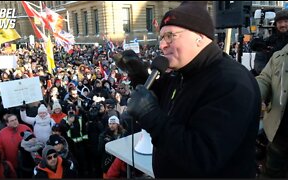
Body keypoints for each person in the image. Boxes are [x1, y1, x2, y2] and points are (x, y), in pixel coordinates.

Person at [115, 1, 261, 178]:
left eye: (170, 36)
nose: (162, 45)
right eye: (161, 38)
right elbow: (172, 95)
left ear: (199, 37)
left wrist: (150, 116)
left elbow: (202, 157)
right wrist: (139, 75)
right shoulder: (185, 72)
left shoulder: (232, 83)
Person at [256, 42, 288, 177]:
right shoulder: (278, 56)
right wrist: (251, 94)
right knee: (272, 171)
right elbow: (264, 80)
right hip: (279, 132)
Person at [251, 9, 288, 75]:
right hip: (271, 78)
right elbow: (259, 64)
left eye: (286, 21)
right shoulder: (267, 42)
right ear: (276, 25)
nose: (283, 25)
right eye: (279, 22)